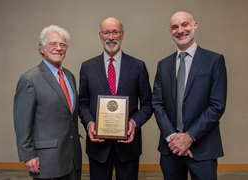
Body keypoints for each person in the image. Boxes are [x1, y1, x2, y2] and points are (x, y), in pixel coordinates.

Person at [152, 11, 227, 180]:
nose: (180, 30)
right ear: (170, 31)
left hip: (203, 148)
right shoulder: (163, 65)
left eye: (185, 24)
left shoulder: (214, 61)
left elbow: (217, 105)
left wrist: (189, 137)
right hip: (170, 149)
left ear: (195, 25)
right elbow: (157, 104)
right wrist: (173, 138)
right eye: (174, 27)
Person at [79, 17, 152, 180]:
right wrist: (89, 122)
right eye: (106, 32)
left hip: (128, 146)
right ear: (100, 35)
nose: (110, 37)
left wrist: (133, 123)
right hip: (98, 146)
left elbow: (148, 104)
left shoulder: (138, 66)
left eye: (115, 32)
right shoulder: (87, 67)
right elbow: (82, 103)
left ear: (122, 34)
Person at [14, 25, 82, 180]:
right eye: (53, 44)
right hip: (47, 160)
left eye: (63, 45)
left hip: (72, 158)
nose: (58, 48)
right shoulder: (30, 79)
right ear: (42, 48)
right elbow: (22, 123)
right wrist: (28, 155)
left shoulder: (70, 76)